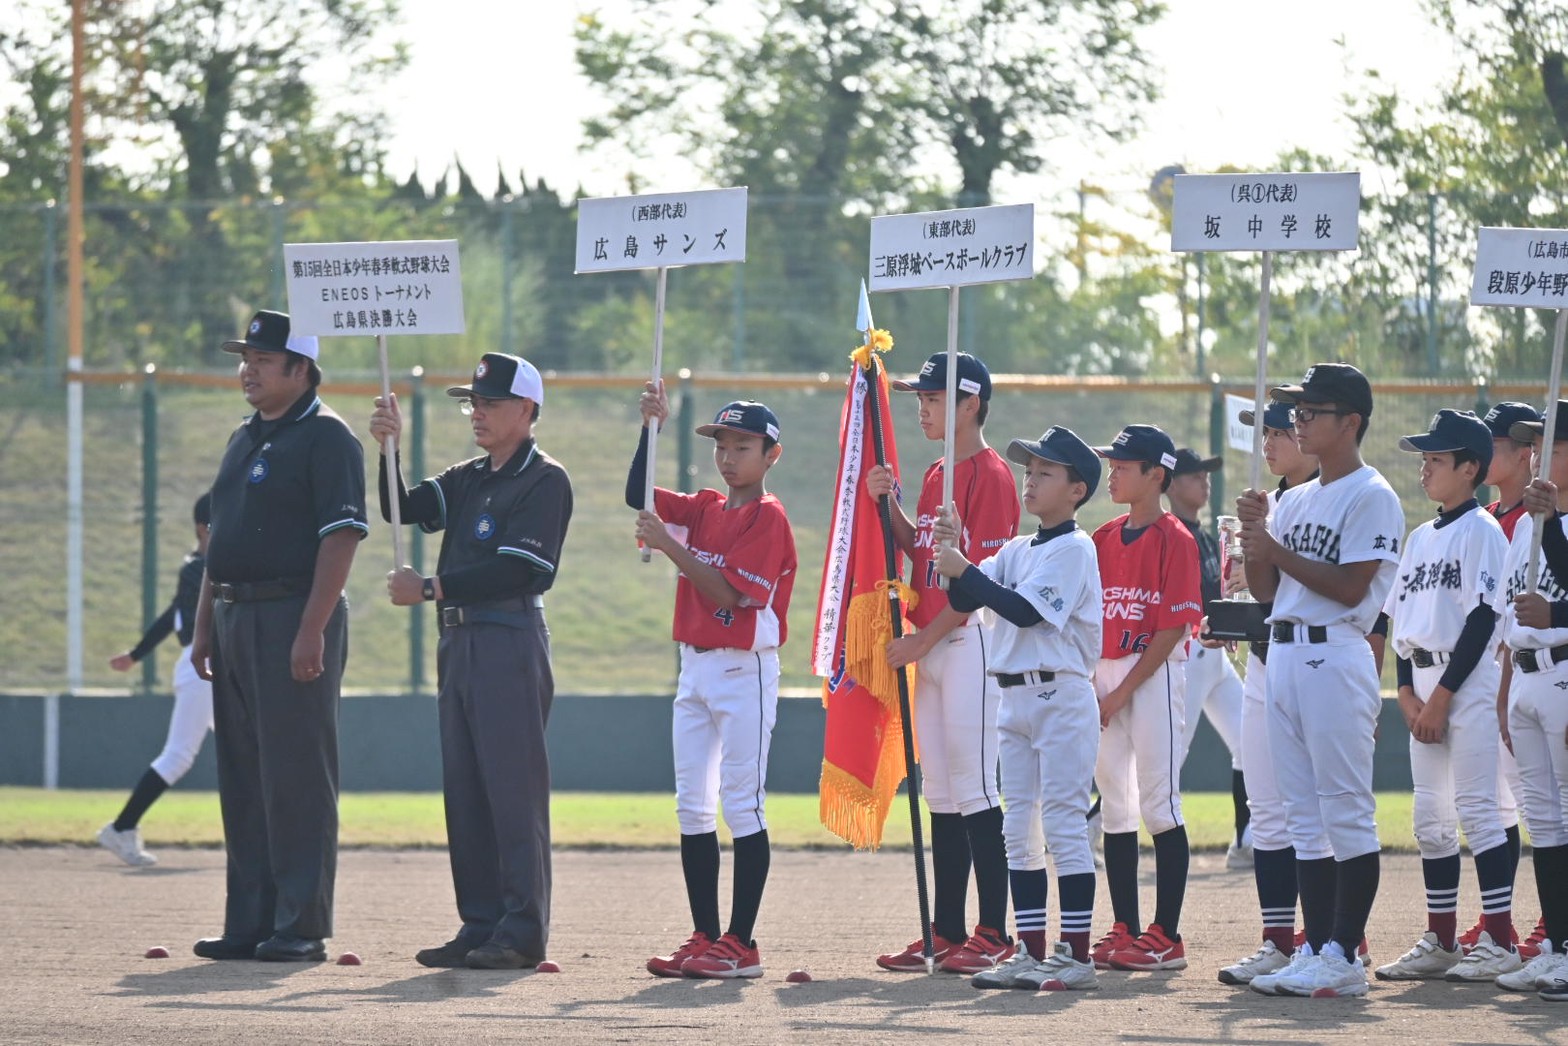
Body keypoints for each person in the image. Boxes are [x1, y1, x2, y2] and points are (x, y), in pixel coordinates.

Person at [371, 352, 573, 971]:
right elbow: (399, 508)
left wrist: (431, 588)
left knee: (511, 791)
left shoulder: (545, 479)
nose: (477, 412)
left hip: (508, 638)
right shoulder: (469, 475)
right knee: (466, 789)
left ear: (527, 411)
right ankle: (480, 922)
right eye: (473, 402)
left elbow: (525, 568)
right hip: (458, 642)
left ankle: (521, 930)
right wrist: (388, 449)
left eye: (490, 402)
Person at [189, 310, 367, 962]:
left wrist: (311, 629)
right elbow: (221, 542)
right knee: (244, 776)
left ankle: (300, 925)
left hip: (292, 615)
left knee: (296, 777)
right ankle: (250, 920)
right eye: (246, 358)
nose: (248, 370)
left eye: (263, 360)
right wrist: (205, 625)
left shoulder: (327, 438)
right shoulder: (244, 437)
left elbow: (342, 535)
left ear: (301, 369)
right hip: (235, 617)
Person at [1237, 362, 1404, 999]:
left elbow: (1351, 587)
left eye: (1311, 412)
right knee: (1303, 817)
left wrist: (1274, 548)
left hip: (1336, 652)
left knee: (1346, 812)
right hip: (1282, 649)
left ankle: (1344, 953)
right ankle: (1314, 946)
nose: (1299, 421)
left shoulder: (1372, 494)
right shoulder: (1294, 496)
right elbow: (1269, 592)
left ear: (1351, 422)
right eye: (1297, 412)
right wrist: (1257, 543)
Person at [631, 387, 797, 980]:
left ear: (770, 454)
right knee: (692, 806)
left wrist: (669, 545)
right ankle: (704, 935)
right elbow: (638, 494)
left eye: (743, 445)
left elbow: (730, 594)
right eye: (722, 444)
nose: (729, 456)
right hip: (695, 664)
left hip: (743, 668)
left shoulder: (767, 516)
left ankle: (741, 944)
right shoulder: (704, 505)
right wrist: (651, 428)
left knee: (741, 804)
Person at [866, 352, 1021, 975]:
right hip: (930, 643)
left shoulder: (991, 474)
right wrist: (889, 506)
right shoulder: (936, 473)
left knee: (978, 789)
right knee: (942, 794)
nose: (922, 407)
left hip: (967, 641)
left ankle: (993, 932)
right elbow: (921, 553)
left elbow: (973, 584)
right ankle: (946, 930)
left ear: (971, 404)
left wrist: (922, 642)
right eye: (920, 397)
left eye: (933, 397)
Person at [936, 426, 1105, 992]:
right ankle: (1031, 952)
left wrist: (968, 571)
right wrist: (952, 552)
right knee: (1017, 828)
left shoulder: (1075, 547)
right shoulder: (1019, 548)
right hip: (1013, 694)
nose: (1030, 480)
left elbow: (1025, 612)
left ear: (1077, 489)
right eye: (1029, 470)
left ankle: (1076, 954)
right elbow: (965, 598)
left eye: (1045, 472)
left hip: (1060, 694)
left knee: (1061, 822)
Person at [1374, 410, 1521, 983]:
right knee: (1430, 817)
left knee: (1480, 810)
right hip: (1426, 682)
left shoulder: (1482, 531)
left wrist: (1441, 699)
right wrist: (1407, 693)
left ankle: (1500, 940)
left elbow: (1484, 619)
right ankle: (1440, 939)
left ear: (1471, 468)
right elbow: (1400, 624)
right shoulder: (1419, 536)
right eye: (1425, 459)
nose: (1425, 469)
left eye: (1437, 459)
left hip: (1469, 681)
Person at [1088, 424, 1203, 972]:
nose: (1113, 470)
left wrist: (1120, 693)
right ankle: (1126, 927)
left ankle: (1168, 935)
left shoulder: (1175, 538)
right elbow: (1087, 618)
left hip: (1152, 676)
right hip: (1105, 676)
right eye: (1112, 462)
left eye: (1124, 464)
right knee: (1115, 807)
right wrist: (1096, 685)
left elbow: (1170, 631)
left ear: (1156, 474)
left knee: (1160, 804)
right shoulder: (1103, 536)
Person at [1217, 401, 1321, 987]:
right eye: (1267, 432)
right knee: (1268, 812)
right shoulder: (1265, 506)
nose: (1271, 441)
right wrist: (1229, 616)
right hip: (1263, 664)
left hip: (1317, 663)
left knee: (1319, 810)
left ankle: (1334, 938)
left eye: (1282, 430)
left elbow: (1363, 604)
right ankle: (1279, 941)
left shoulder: (1331, 500)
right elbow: (1265, 601)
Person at [98, 493, 215, 867]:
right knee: (179, 755)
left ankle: (259, 842)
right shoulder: (200, 568)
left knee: (248, 750)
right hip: (204, 668)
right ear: (203, 528)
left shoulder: (199, 566)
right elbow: (183, 616)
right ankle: (121, 827)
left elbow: (170, 615)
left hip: (211, 667)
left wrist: (135, 654)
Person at [1494, 406, 1568, 999]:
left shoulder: (1551, 522)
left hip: (1565, 671)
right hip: (1524, 675)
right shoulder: (1523, 527)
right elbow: (1507, 616)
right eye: (1537, 447)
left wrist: (1558, 615)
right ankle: (1558, 944)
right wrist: (1503, 693)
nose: (1542, 457)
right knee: (1543, 822)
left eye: (1555, 446)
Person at [1473, 401, 1547, 960]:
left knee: (1539, 802)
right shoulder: (1487, 518)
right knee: (1494, 806)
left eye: (1498, 444)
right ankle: (1497, 921)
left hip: (1535, 672)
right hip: (1487, 678)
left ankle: (1553, 921)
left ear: (1528, 453)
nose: (1488, 452)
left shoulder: (1541, 522)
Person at [1165, 448, 1250, 869]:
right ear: (1172, 483)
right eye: (1195, 474)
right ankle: (1099, 822)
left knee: (1249, 741)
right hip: (1189, 650)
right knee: (1167, 757)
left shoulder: (1206, 534)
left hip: (1216, 653)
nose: (1205, 480)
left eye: (1206, 473)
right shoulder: (1170, 532)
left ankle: (1245, 841)